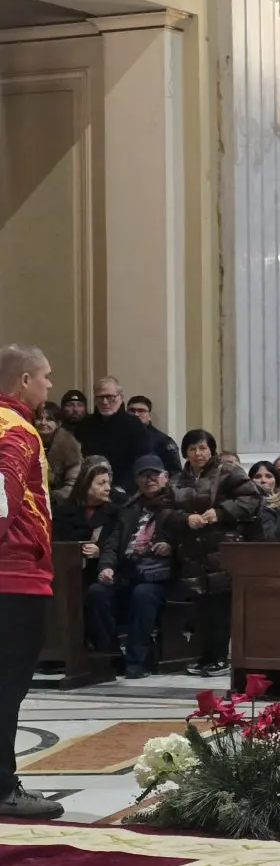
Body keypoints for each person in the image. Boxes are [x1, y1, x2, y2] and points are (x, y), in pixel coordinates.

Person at [0, 345, 62, 819]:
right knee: (7, 685)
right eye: (44, 377)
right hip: (14, 578)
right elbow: (3, 500)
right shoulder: (16, 430)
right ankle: (3, 787)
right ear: (23, 380)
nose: (49, 386)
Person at [169, 429, 261, 676]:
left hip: (222, 548)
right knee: (200, 607)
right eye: (192, 449)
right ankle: (204, 656)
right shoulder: (178, 479)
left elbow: (251, 498)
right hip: (192, 551)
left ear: (212, 450)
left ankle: (220, 657)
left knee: (220, 606)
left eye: (202, 448)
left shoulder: (228, 471)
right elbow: (166, 512)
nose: (198, 453)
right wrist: (185, 519)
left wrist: (220, 513)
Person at [85, 457, 175, 679]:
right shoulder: (129, 508)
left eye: (154, 474)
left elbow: (189, 541)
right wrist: (106, 566)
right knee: (97, 592)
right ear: (136, 480)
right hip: (129, 572)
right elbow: (112, 544)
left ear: (165, 477)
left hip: (162, 577)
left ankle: (138, 660)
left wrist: (171, 547)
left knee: (143, 594)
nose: (149, 479)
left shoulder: (177, 505)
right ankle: (111, 656)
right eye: (144, 475)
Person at [72, 378, 150, 491]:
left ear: (120, 397)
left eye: (110, 397)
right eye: (100, 397)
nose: (104, 402)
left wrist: (123, 487)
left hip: (124, 490)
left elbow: (140, 461)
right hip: (90, 489)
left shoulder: (134, 426)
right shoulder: (85, 425)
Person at [51, 457, 121, 584]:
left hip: (99, 574)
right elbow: (57, 544)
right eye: (101, 483)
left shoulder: (115, 514)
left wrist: (99, 551)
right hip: (67, 573)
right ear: (86, 485)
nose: (108, 488)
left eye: (108, 483)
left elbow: (117, 546)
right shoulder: (62, 513)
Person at [34, 402, 81, 502]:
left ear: (58, 423)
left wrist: (52, 499)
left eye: (49, 419)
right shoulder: (27, 440)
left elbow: (73, 484)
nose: (43, 423)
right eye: (39, 418)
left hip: (60, 500)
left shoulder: (70, 446)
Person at [125, 396, 183, 474]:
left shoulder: (163, 440)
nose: (136, 414)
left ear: (149, 415)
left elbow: (176, 472)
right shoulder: (118, 436)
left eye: (141, 411)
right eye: (132, 410)